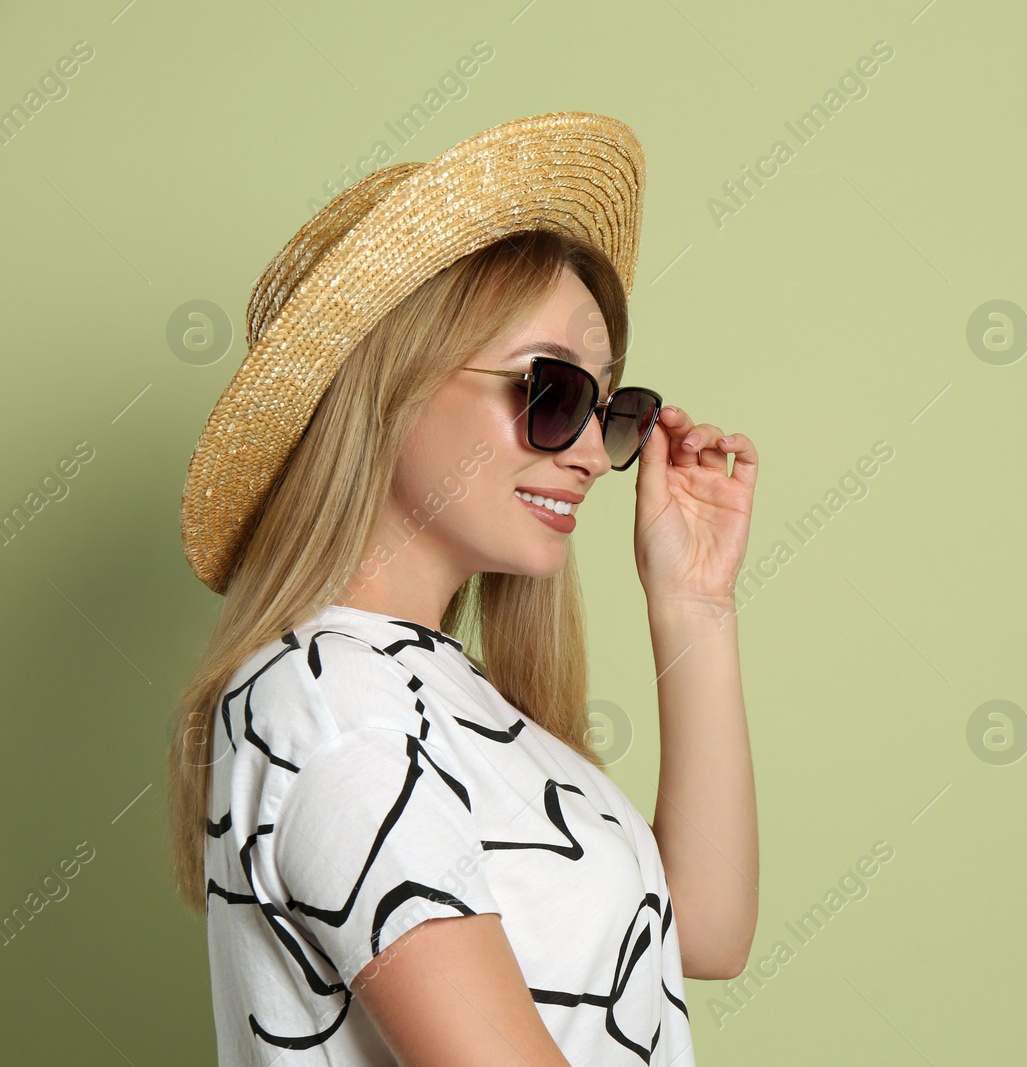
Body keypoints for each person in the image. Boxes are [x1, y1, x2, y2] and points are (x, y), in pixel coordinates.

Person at [166, 113, 758, 1065]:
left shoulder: (441, 691)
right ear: (391, 381)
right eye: (552, 390)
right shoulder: (332, 701)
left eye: (609, 409)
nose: (591, 458)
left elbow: (704, 931)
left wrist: (696, 603)